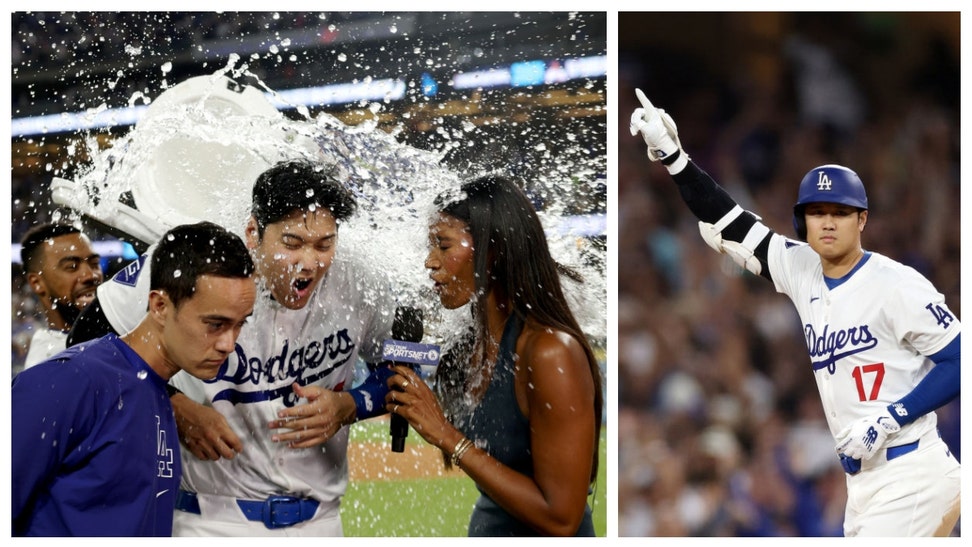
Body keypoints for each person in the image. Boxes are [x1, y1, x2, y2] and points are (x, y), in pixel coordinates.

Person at [628, 90, 960, 537]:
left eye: (840, 213)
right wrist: (674, 158)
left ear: (862, 220)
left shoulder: (895, 284)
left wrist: (892, 417)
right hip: (864, 484)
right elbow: (728, 219)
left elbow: (960, 359)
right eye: (816, 212)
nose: (827, 222)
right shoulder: (801, 267)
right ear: (802, 220)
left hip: (912, 470)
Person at [68, 159, 398, 536]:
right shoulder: (200, 260)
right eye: (292, 243)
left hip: (322, 521)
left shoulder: (361, 279)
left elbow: (403, 365)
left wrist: (353, 404)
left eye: (325, 244)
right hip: (208, 520)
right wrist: (171, 404)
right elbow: (85, 343)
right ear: (253, 232)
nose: (310, 261)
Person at [384, 175, 603, 536]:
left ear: (494, 250)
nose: (429, 262)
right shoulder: (471, 343)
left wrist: (447, 436)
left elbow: (561, 517)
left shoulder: (550, 353)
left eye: (443, 245)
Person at [12, 221, 256, 536]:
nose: (228, 343)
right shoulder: (70, 380)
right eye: (215, 323)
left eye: (239, 325)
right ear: (159, 306)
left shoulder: (157, 393)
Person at [18, 221, 104, 368]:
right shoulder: (49, 367)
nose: (90, 275)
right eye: (72, 267)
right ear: (37, 283)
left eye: (94, 263)